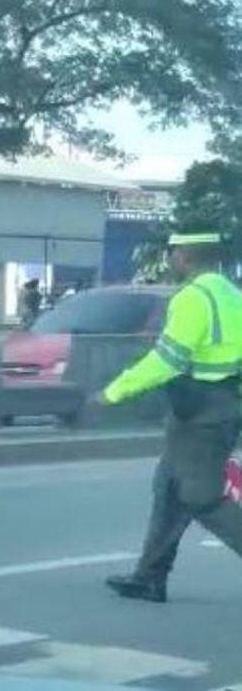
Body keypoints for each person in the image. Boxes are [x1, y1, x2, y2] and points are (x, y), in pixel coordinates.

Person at [97, 231, 242, 603]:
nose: (171, 259)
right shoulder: (230, 293)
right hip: (215, 407)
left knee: (200, 495)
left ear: (185, 256)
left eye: (173, 253)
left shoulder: (194, 298)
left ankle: (149, 576)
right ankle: (149, 576)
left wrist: (116, 390)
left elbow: (167, 360)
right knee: (170, 489)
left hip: (202, 415)